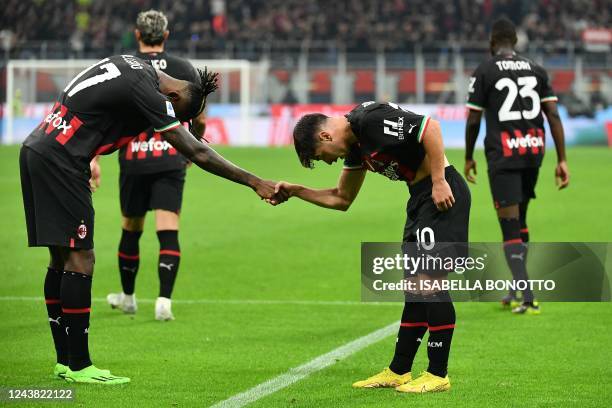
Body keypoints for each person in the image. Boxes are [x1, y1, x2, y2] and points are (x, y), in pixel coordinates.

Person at [20, 54, 279, 384]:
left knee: (60, 258)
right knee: (80, 258)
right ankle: (81, 365)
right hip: (62, 161)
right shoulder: (147, 88)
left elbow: (92, 106)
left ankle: (65, 362)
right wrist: (255, 182)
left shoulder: (132, 65)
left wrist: (91, 152)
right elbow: (196, 152)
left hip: (39, 147)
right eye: (174, 115)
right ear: (172, 99)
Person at [273, 101, 471, 393]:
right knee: (415, 289)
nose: (328, 162)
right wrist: (297, 191)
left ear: (326, 136)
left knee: (429, 283)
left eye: (321, 156)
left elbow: (430, 127)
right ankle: (399, 370)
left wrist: (439, 180)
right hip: (420, 198)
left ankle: (438, 374)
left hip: (441, 193)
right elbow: (342, 198)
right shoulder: (355, 145)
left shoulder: (370, 120)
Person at [106, 10, 207, 321]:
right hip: (170, 156)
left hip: (134, 158)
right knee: (168, 229)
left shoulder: (124, 64)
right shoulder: (182, 68)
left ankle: (129, 298)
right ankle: (164, 301)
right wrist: (190, 151)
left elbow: (111, 113)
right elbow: (199, 118)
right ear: (166, 35)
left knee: (131, 229)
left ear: (137, 35)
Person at [464, 17, 570, 314]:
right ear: (516, 43)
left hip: (504, 154)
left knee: (509, 225)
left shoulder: (484, 71)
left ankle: (528, 296)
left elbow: (474, 119)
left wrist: (469, 156)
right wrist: (562, 159)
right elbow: (553, 116)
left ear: (491, 44)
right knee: (520, 220)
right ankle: (516, 287)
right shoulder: (536, 69)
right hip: (533, 152)